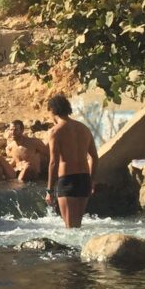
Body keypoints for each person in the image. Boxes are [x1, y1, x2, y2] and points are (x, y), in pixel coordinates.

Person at [45, 94, 98, 228]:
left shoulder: (55, 132)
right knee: (77, 226)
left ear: (52, 110)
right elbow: (94, 157)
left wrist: (49, 190)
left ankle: (71, 250)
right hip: (84, 179)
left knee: (70, 228)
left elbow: (53, 162)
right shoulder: (84, 129)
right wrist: (91, 180)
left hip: (68, 180)